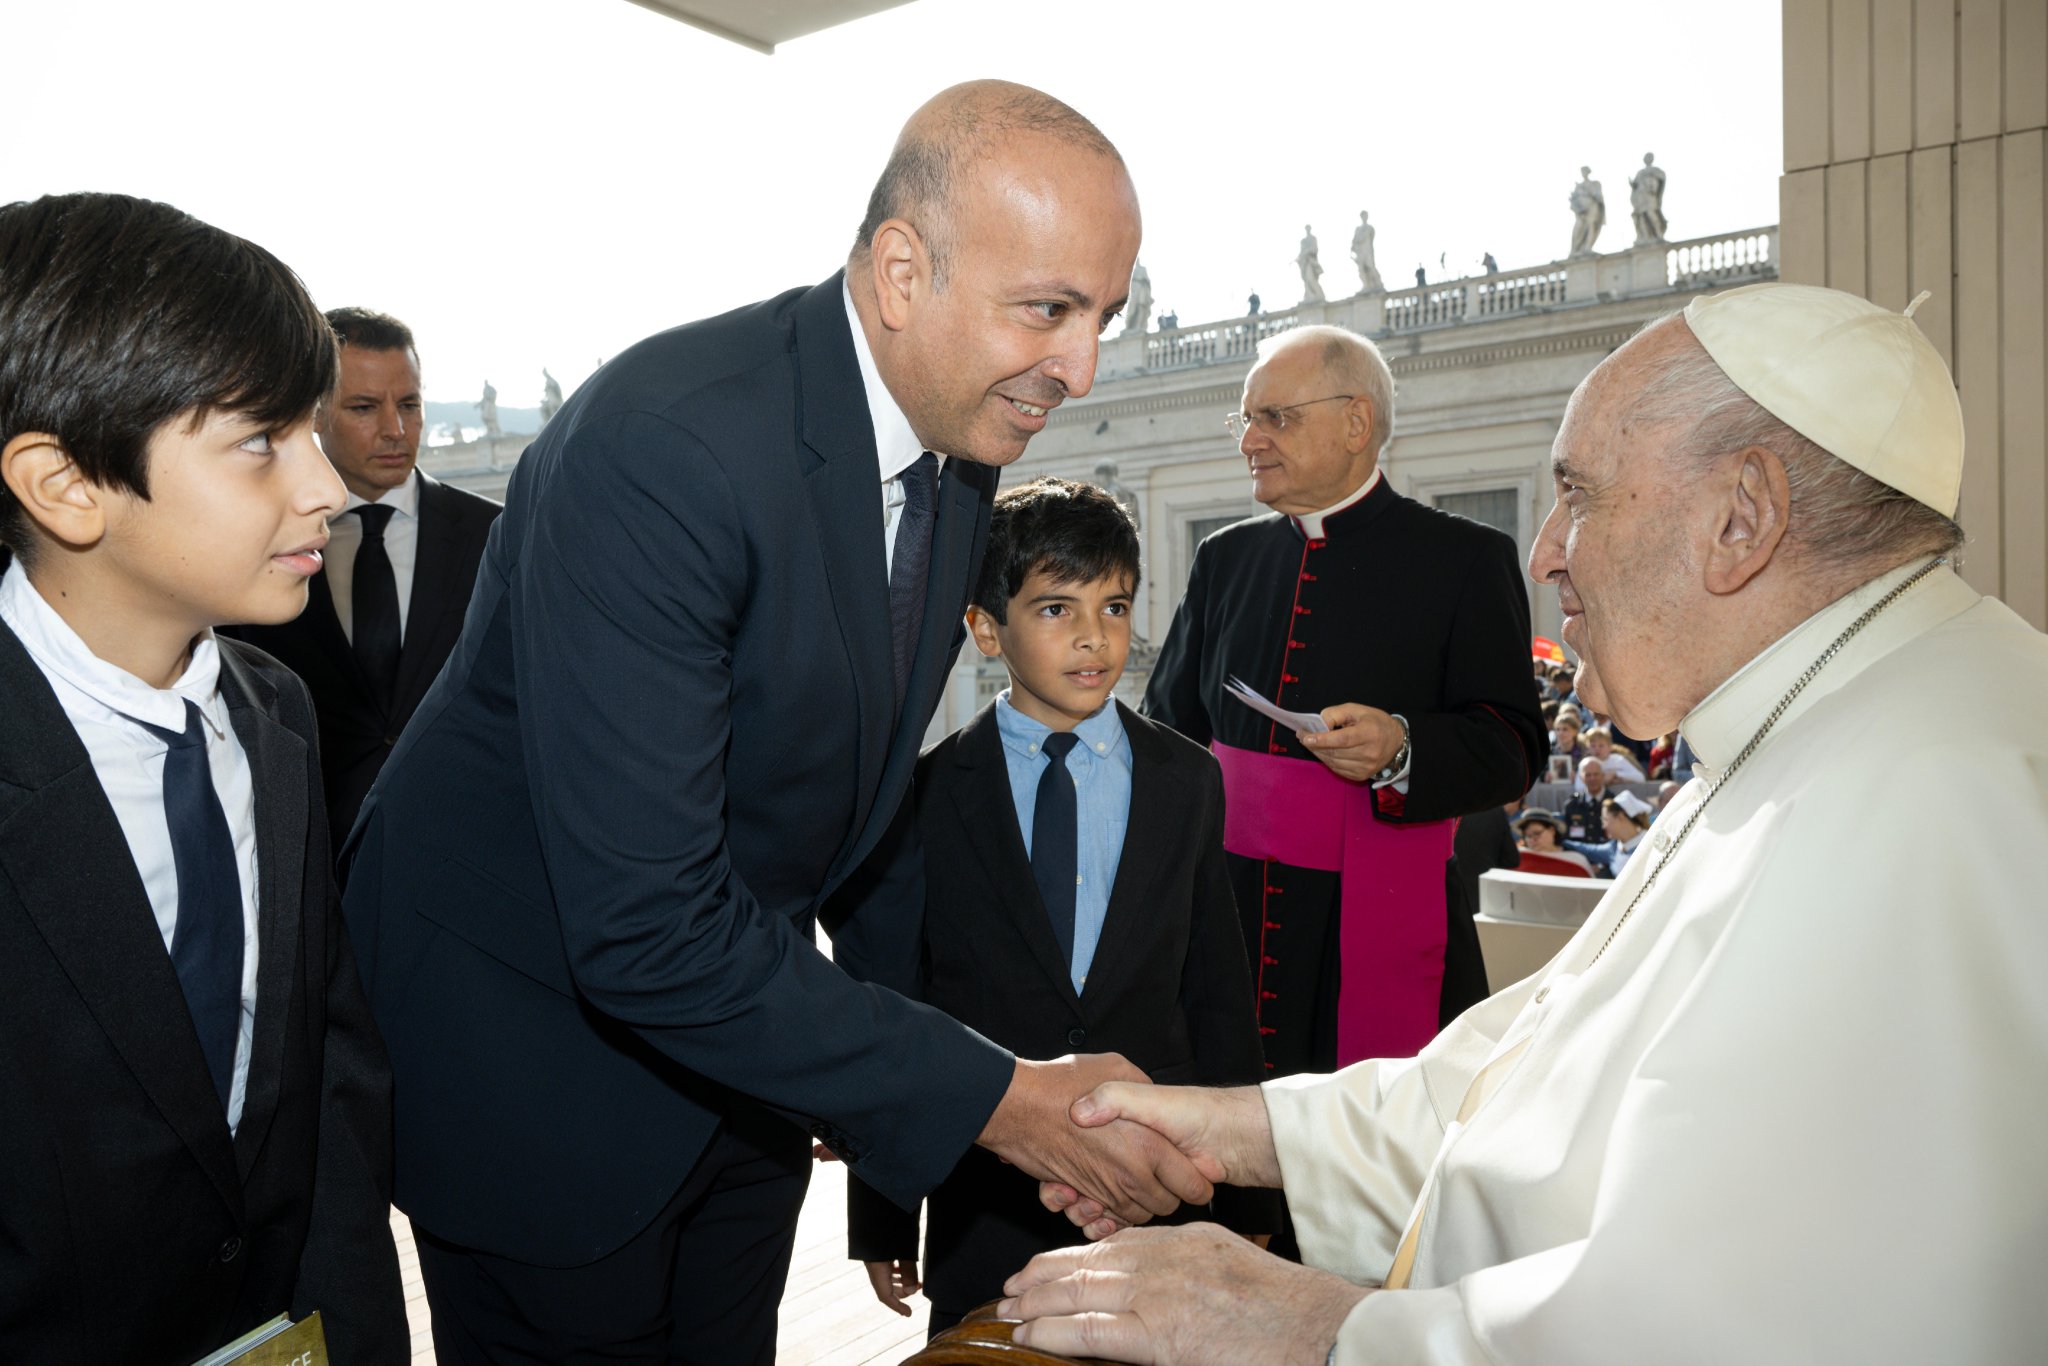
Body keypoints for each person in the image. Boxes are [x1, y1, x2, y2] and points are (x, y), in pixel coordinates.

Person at [1001, 282, 2048, 1365]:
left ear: (1742, 517)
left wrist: (1308, 1325)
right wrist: (1238, 1130)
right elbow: (1533, 1071)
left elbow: (1742, 1322)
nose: (1545, 551)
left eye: (1577, 496)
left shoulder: (1941, 795)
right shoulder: (1800, 732)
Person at [339, 82, 1205, 1366]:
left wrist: (995, 1098)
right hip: (535, 1062)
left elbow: (846, 813)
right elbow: (640, 921)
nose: (1080, 367)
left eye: (1104, 318)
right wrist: (1001, 1105)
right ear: (902, 272)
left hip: (735, 1061)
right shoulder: (666, 447)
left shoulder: (954, 454)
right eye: (1049, 310)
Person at [0, 192, 407, 1363]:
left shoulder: (275, 714)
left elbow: (322, 1085)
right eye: (258, 442)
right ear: (66, 482)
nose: (325, 491)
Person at [846, 478, 1277, 1336]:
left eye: (1114, 605)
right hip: (987, 1206)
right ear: (983, 628)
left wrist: (1250, 1195)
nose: (1094, 636)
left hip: (1157, 1193)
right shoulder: (924, 795)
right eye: (1054, 608)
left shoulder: (1188, 778)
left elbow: (1218, 992)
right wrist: (885, 1211)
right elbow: (897, 1008)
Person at [1144, 323, 1546, 1078]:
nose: (1250, 440)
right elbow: (1171, 732)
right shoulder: (1223, 559)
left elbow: (1514, 747)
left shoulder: (1464, 561)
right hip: (1227, 912)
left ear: (1357, 423)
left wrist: (1402, 748)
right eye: (1246, 419)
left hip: (1376, 909)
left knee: (1366, 1140)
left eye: (1276, 418)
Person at [225, 309, 500, 854]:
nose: (395, 430)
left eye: (410, 405)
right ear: (317, 416)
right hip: (314, 854)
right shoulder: (249, 550)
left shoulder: (500, 536)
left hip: (470, 848)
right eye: (365, 407)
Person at [1563, 793, 1652, 877]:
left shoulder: (1651, 845)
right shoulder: (1614, 847)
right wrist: (1560, 840)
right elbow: (1587, 849)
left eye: (1605, 819)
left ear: (1621, 817)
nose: (1603, 826)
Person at [1510, 809, 1593, 876]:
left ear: (1552, 831)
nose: (1532, 840)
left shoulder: (1577, 862)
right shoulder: (1518, 859)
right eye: (1528, 836)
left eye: (1537, 833)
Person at [1561, 754, 1609, 840]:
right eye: (1588, 775)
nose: (1592, 778)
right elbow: (1566, 836)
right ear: (1581, 777)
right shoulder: (1572, 804)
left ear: (1603, 775)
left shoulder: (1613, 802)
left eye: (1596, 774)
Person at [1569, 165, 1605, 257]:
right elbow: (1573, 200)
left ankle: (1587, 247)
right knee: (1579, 228)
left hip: (1592, 208)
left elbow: (1599, 197)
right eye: (1582, 171)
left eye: (1584, 171)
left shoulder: (1595, 184)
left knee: (1591, 225)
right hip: (1581, 211)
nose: (1583, 173)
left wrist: (1590, 193)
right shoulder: (1578, 186)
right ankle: (1575, 249)